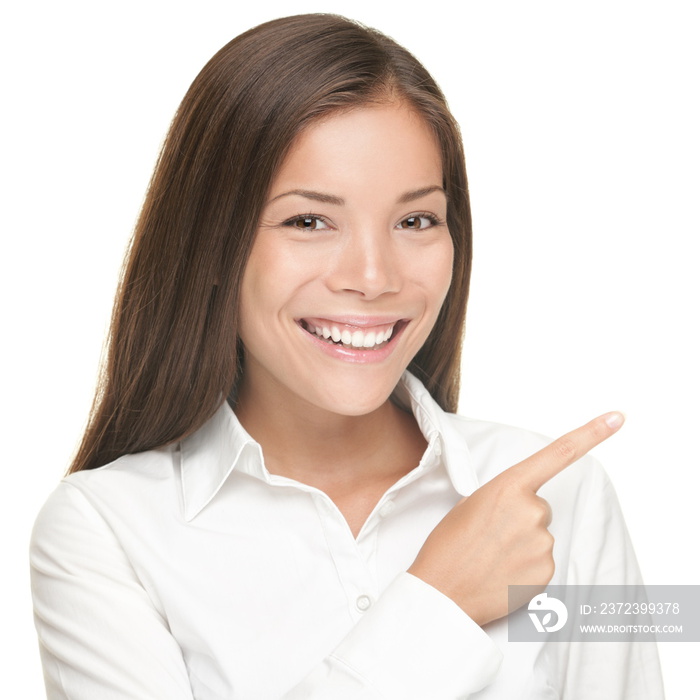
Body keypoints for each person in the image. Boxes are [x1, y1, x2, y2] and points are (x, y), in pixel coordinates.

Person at [30, 13, 664, 699]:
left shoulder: (565, 497)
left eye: (415, 220)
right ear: (213, 242)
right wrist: (438, 603)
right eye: (308, 221)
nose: (372, 276)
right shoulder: (102, 532)